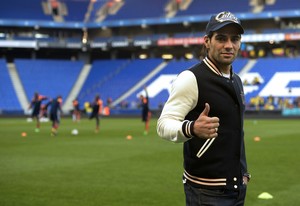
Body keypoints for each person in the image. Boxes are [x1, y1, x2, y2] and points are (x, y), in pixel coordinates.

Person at [157, 11, 250, 206]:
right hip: (206, 192)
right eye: (221, 38)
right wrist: (191, 128)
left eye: (235, 39)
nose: (229, 45)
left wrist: (242, 174)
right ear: (207, 41)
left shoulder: (237, 80)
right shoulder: (191, 78)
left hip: (236, 187)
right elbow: (163, 125)